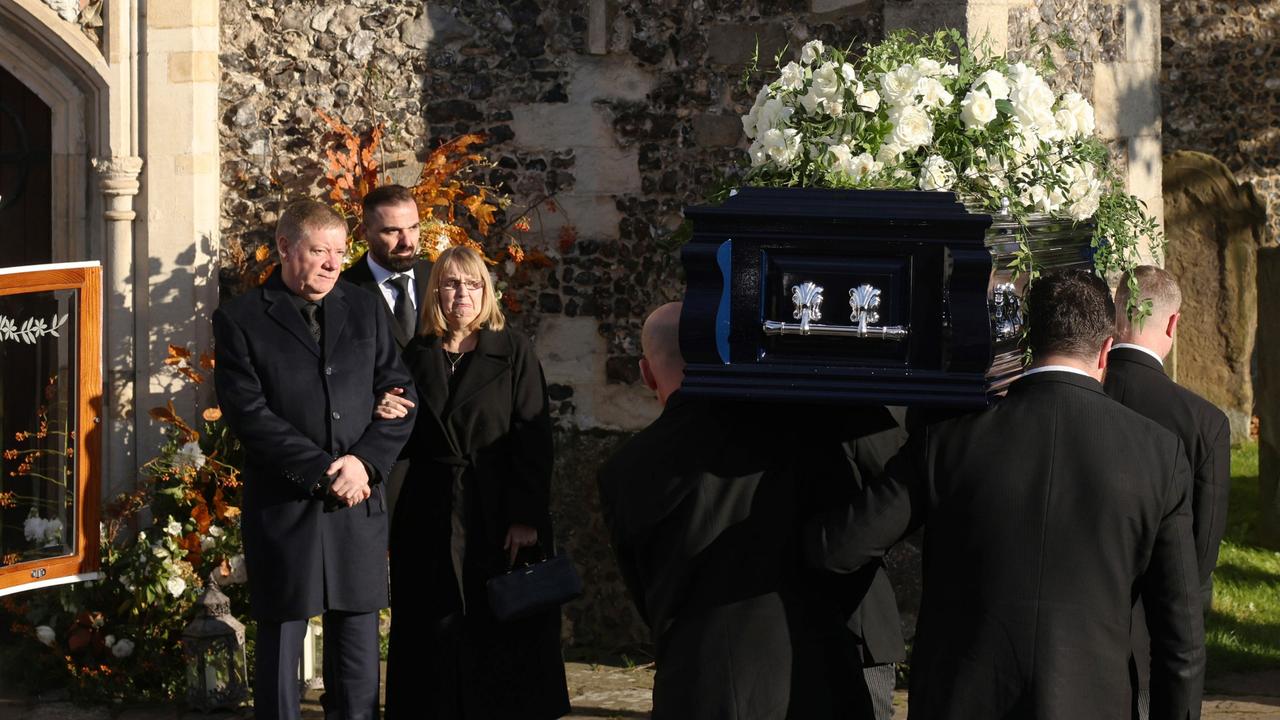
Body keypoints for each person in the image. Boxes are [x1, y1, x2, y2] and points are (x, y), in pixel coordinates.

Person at [806, 268, 1206, 720]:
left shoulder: (948, 442)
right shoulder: (1158, 454)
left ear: (1026, 342)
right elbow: (1181, 641)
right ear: (1106, 350)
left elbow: (841, 547)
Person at [597, 302, 900, 719]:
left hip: (694, 687)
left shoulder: (622, 471)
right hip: (809, 680)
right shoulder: (802, 427)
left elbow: (646, 592)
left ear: (647, 373)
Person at [212, 199, 416, 720]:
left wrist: (364, 465)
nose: (332, 263)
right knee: (281, 649)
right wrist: (328, 471)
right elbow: (250, 416)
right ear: (285, 247)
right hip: (286, 506)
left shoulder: (366, 308)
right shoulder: (239, 319)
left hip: (357, 504)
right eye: (319, 251)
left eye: (340, 252)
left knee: (358, 656)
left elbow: (399, 393)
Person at [377, 245, 569, 719]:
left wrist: (525, 517)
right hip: (427, 508)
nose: (461, 293)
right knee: (429, 625)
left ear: (486, 291)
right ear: (435, 291)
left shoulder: (513, 350)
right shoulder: (415, 355)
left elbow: (533, 436)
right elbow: (399, 435)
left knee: (497, 624)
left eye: (472, 284)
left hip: (496, 508)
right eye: (449, 283)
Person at [1106, 265, 1231, 720]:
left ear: (1116, 313)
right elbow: (1197, 565)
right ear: (1174, 323)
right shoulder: (1204, 423)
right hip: (1153, 642)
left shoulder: (1078, 395)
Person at [341, 184, 433, 517]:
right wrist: (369, 402)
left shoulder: (442, 279)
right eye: (392, 231)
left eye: (413, 227)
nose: (408, 241)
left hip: (442, 460)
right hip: (378, 461)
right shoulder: (341, 292)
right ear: (364, 231)